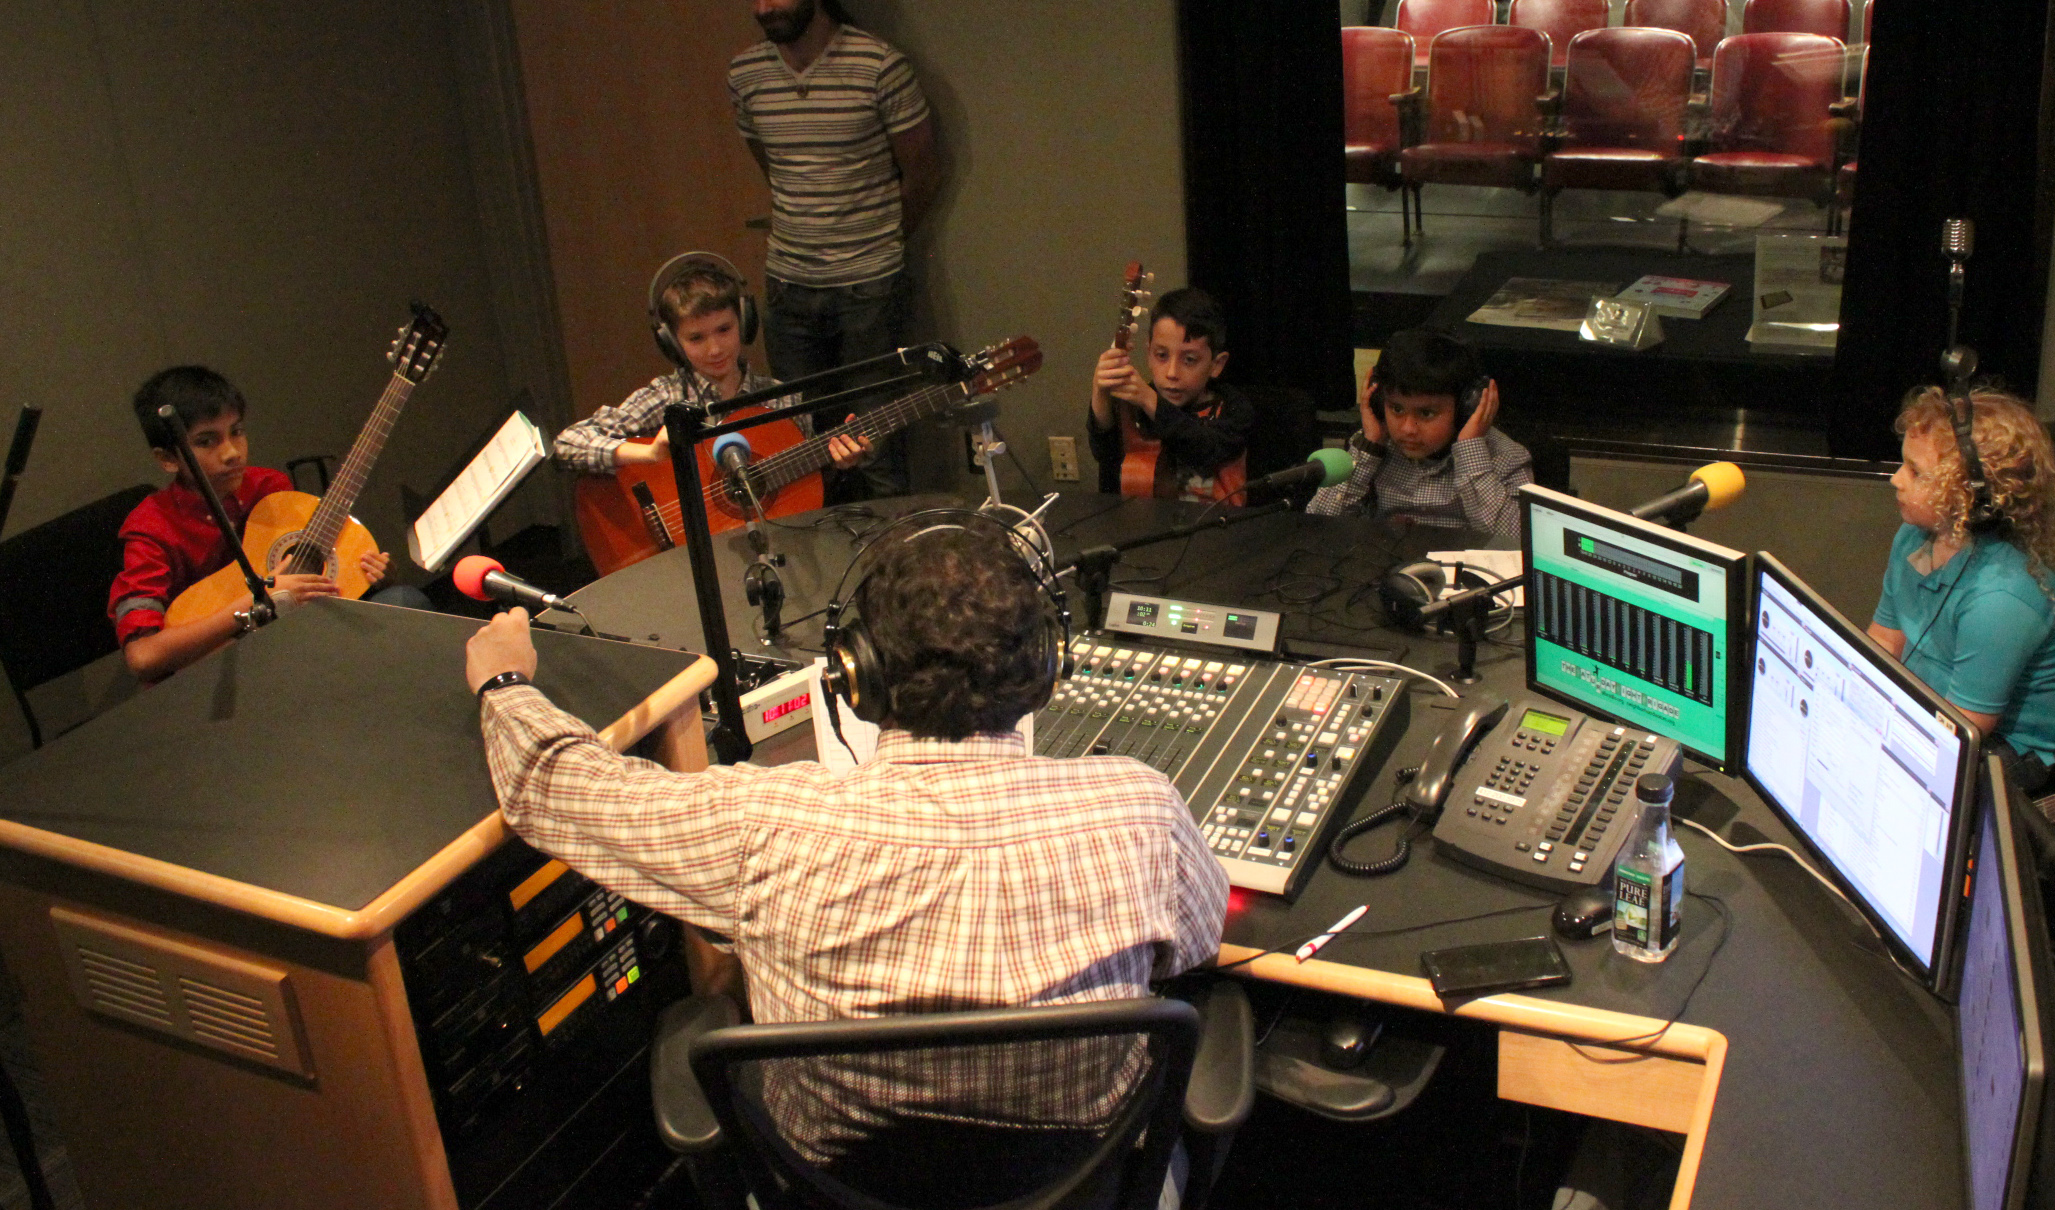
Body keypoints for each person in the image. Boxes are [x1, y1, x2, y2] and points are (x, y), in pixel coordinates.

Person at [464, 524, 1226, 1166]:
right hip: (1087, 1188)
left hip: (830, 1190)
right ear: (1047, 667)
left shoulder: (766, 824)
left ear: (855, 675)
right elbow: (1193, 947)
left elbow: (557, 787)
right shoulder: (1140, 812)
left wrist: (503, 682)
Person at [728, 0, 940, 499]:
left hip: (869, 288)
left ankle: (896, 578)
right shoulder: (746, 76)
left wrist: (874, 237)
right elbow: (773, 165)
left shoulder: (877, 64)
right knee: (801, 450)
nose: (764, 6)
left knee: (874, 448)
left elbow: (921, 171)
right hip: (791, 287)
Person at [109, 366, 407, 682]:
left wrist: (372, 574)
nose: (232, 453)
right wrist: (257, 602)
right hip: (221, 676)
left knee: (402, 602)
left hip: (292, 642)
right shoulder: (150, 529)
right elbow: (142, 657)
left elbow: (301, 580)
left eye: (236, 432)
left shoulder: (269, 487)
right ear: (167, 459)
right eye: (207, 441)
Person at [1867, 387, 2055, 789]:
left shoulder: (2002, 598)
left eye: (1916, 472)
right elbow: (1885, 638)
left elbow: (1962, 731)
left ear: (1972, 495)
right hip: (1933, 709)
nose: (1896, 480)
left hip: (2002, 748)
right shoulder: (1914, 537)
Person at [552, 255, 868, 478]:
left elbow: (800, 484)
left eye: (724, 330)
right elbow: (567, 443)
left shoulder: (781, 398)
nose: (715, 349)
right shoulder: (666, 397)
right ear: (673, 344)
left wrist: (838, 462)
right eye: (696, 338)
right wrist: (648, 454)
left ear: (744, 323)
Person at [1307, 327, 1531, 541]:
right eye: (1396, 409)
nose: (1407, 428)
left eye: (1426, 413)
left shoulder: (1505, 457)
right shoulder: (1371, 448)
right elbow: (1319, 526)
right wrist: (1369, 446)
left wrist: (1470, 451)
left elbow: (1518, 542)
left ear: (1467, 407)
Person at [1087, 286, 1254, 502]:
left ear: (1216, 364)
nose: (1172, 373)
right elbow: (1106, 455)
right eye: (1162, 355)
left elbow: (1207, 449)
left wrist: (1150, 400)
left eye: (1189, 360)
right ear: (1148, 353)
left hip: (1217, 529)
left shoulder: (1234, 408)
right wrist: (1099, 391)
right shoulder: (1138, 406)